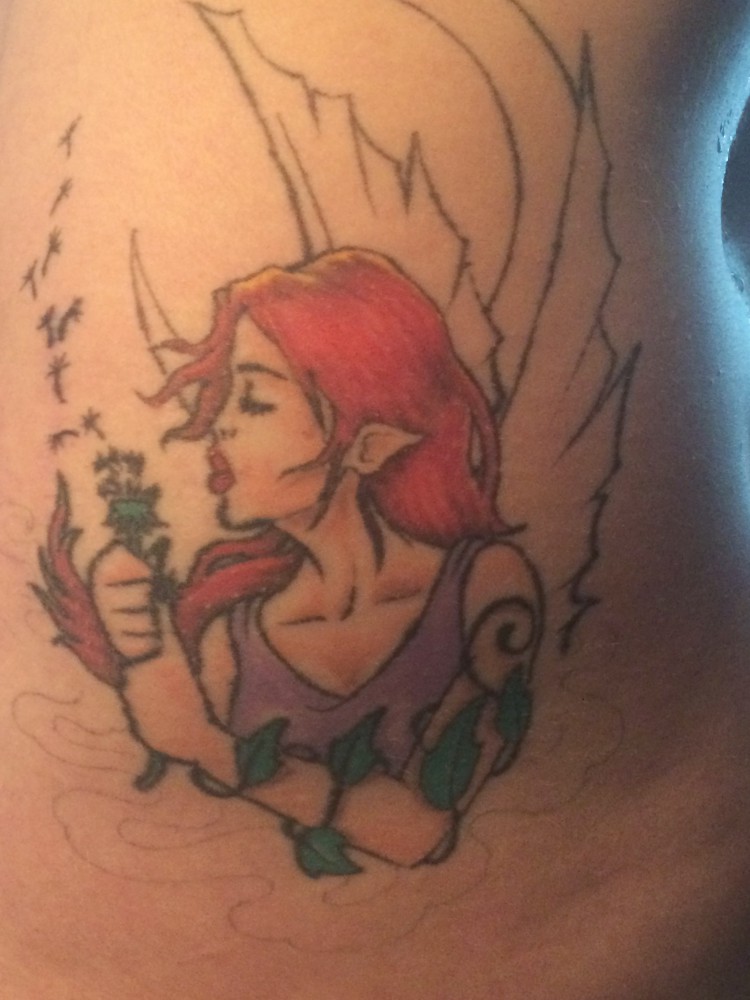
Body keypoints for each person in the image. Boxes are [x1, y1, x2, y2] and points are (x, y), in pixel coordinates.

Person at [2, 1, 750, 997]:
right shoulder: (232, 626)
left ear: (367, 440)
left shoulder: (484, 594)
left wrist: (202, 740)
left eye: (251, 400)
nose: (212, 431)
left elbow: (420, 825)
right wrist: (145, 663)